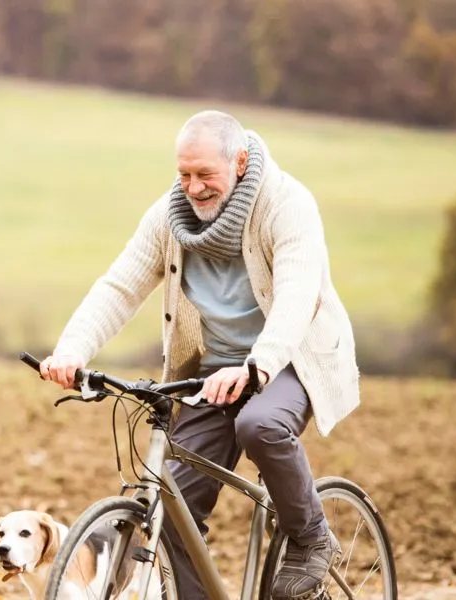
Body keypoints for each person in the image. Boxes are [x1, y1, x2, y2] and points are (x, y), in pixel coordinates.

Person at [39, 110, 360, 600]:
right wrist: (71, 350)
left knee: (260, 425)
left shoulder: (286, 204)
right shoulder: (169, 217)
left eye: (205, 174)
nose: (193, 187)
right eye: (183, 174)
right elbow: (121, 286)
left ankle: (312, 538)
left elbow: (298, 295)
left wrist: (259, 365)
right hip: (214, 370)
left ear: (240, 161)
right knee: (172, 507)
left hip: (290, 357)